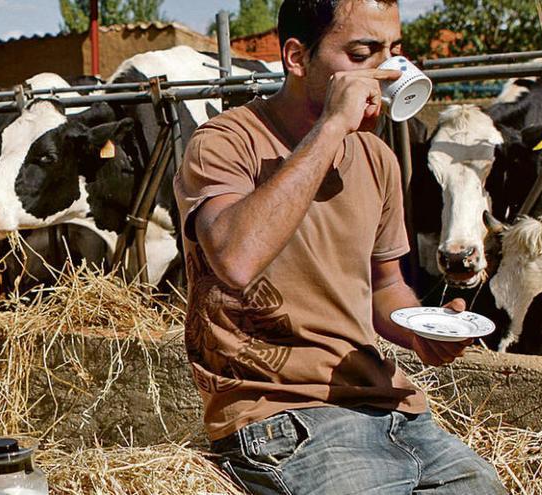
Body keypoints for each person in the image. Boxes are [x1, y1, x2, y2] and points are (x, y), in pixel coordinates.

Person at [173, 0, 507, 493]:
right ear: (296, 57)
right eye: (361, 54)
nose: (386, 71)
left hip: (394, 410)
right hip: (281, 416)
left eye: (393, 51)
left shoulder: (378, 158)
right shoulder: (227, 141)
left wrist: (423, 332)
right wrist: (331, 126)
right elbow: (234, 260)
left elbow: (385, 287)